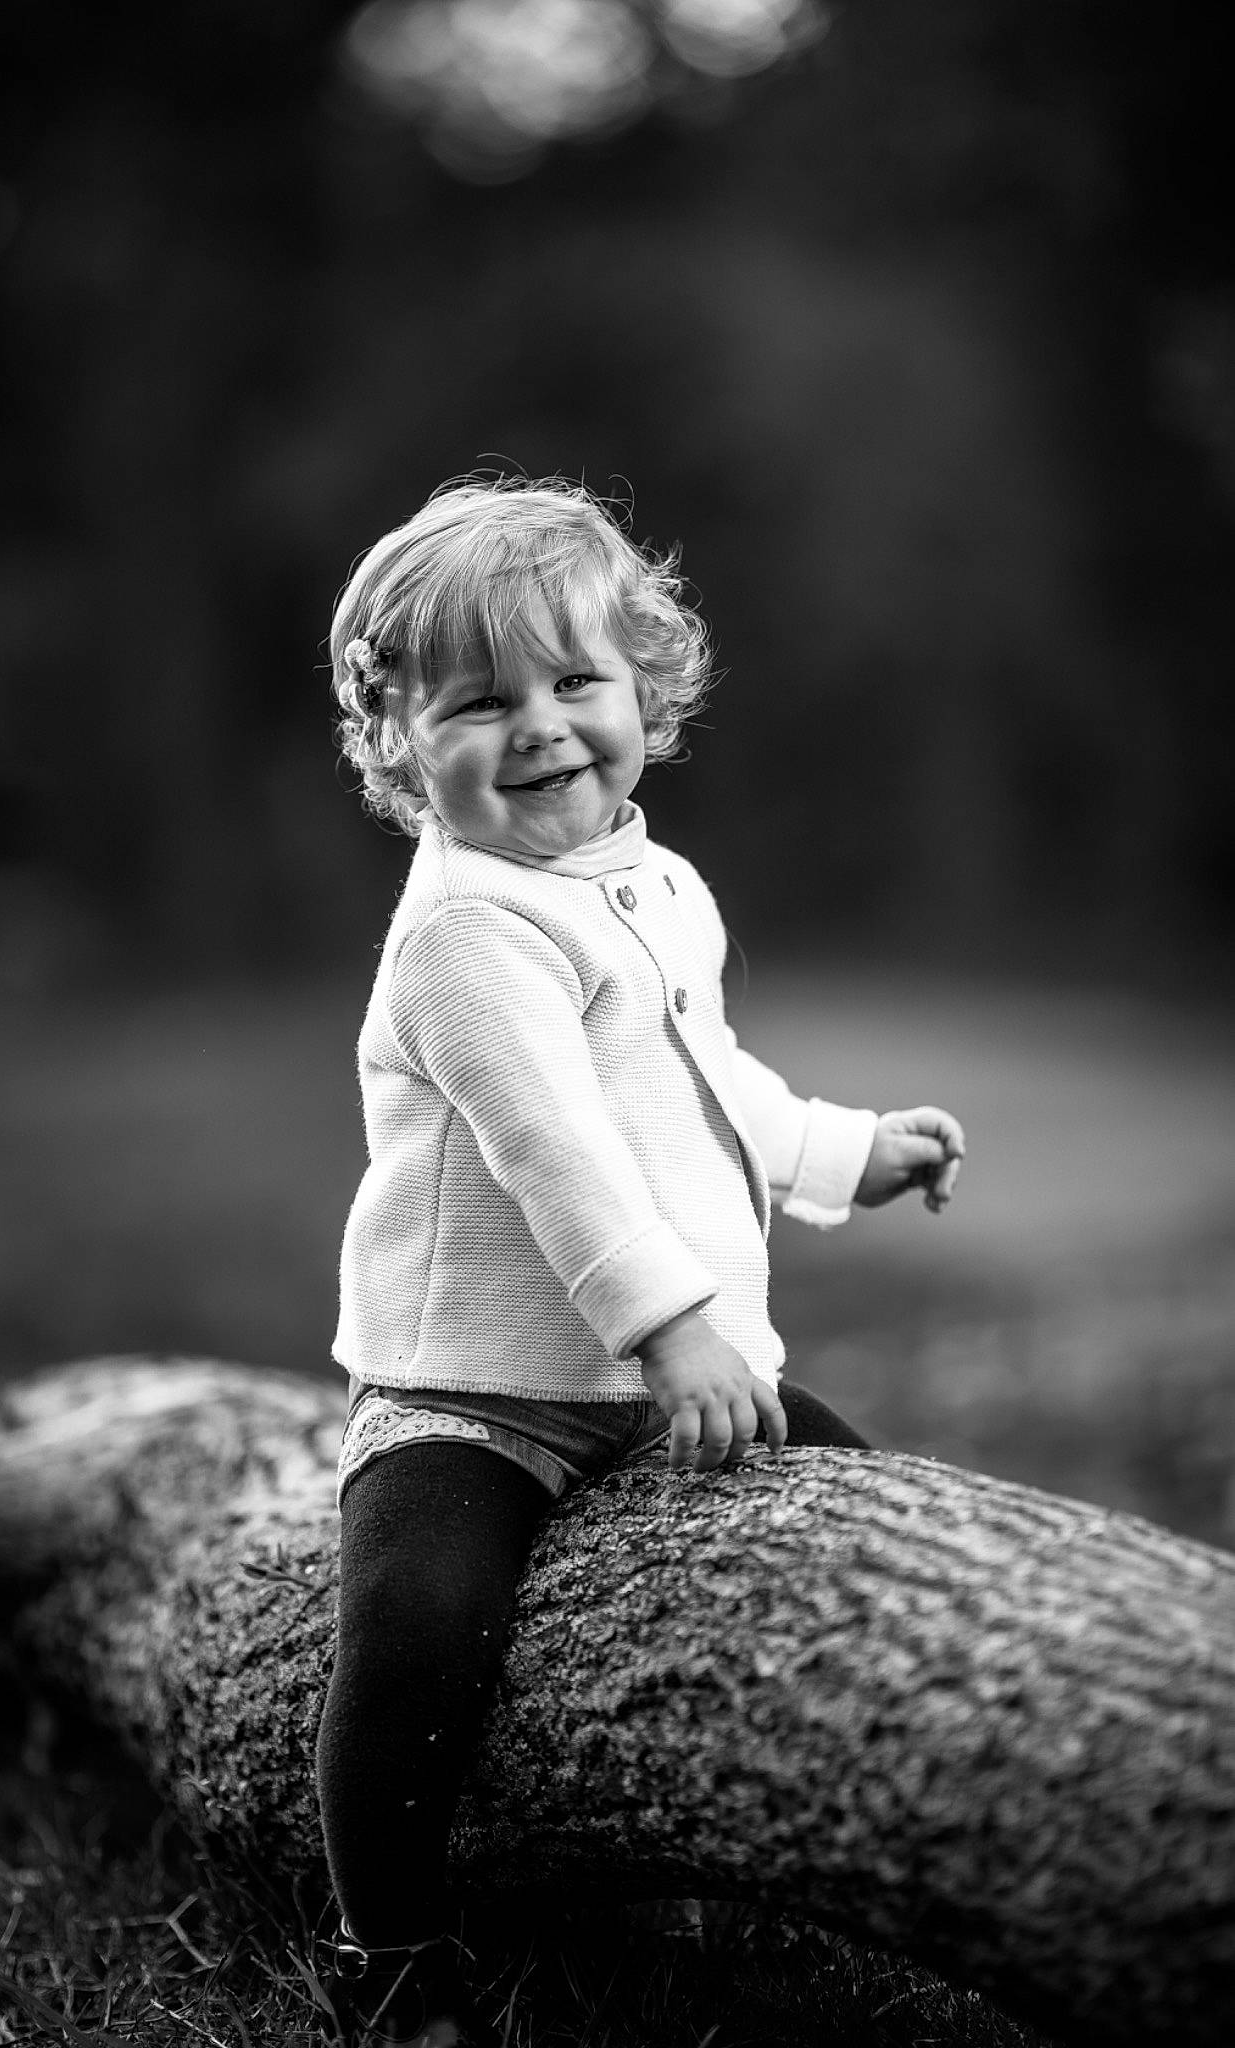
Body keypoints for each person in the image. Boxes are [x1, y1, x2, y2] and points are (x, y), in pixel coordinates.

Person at [316, 477, 965, 2046]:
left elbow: (702, 1081)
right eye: (478, 700)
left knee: (856, 1512)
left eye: (573, 682)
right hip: (483, 1393)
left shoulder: (652, 883)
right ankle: (390, 1951)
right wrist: (675, 1333)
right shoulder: (467, 935)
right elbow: (560, 1151)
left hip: (660, 1368)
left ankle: (864, 1836)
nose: (537, 726)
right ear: (400, 741)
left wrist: (840, 1151)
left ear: (645, 696)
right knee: (419, 1627)